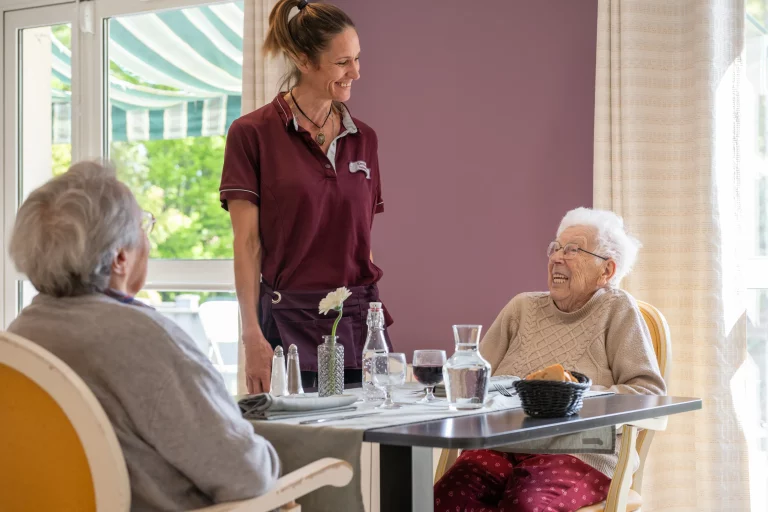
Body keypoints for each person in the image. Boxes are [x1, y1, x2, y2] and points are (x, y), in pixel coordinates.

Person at [8, 162, 280, 511]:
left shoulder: (19, 338)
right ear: (120, 258)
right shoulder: (146, 340)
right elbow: (246, 474)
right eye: (143, 226)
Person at [433, 207, 666, 512]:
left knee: (525, 504)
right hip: (502, 445)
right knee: (446, 497)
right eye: (555, 248)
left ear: (607, 271)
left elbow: (649, 394)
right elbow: (472, 382)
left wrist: (571, 397)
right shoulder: (521, 308)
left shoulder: (617, 310)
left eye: (573, 250)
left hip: (580, 453)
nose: (557, 257)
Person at [220, 0, 392, 394]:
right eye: (342, 62)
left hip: (358, 319)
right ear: (303, 59)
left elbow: (361, 239)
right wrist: (251, 335)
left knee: (376, 430)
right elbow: (247, 244)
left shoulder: (364, 138)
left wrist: (374, 321)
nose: (356, 72)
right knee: (295, 433)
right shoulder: (252, 134)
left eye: (357, 59)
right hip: (287, 322)